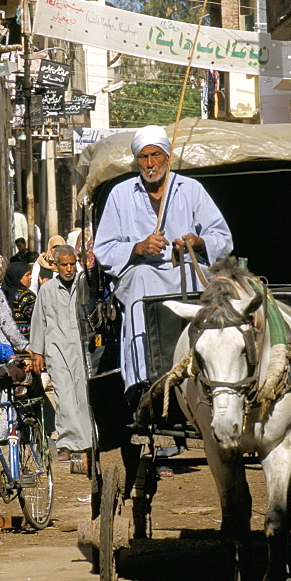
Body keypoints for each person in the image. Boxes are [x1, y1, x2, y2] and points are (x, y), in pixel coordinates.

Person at [93, 124, 232, 405]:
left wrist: (199, 242)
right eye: (143, 157)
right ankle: (145, 378)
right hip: (138, 275)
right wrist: (137, 247)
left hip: (185, 269)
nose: (150, 163)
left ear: (167, 157)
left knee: (201, 279)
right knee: (143, 277)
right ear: (137, 161)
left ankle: (207, 367)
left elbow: (223, 237)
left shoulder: (191, 189)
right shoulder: (120, 195)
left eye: (156, 155)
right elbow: (104, 250)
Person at [29, 245, 90, 462]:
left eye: (72, 264)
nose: (69, 269)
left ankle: (87, 442)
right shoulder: (46, 291)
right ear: (56, 265)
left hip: (82, 350)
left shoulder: (85, 288)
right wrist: (37, 352)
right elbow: (39, 322)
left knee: (83, 395)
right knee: (64, 396)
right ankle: (67, 443)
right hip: (57, 350)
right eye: (64, 265)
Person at [0, 261, 35, 339]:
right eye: (27, 275)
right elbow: (36, 316)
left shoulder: (3, 293)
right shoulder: (25, 295)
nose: (30, 277)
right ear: (17, 277)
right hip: (26, 341)